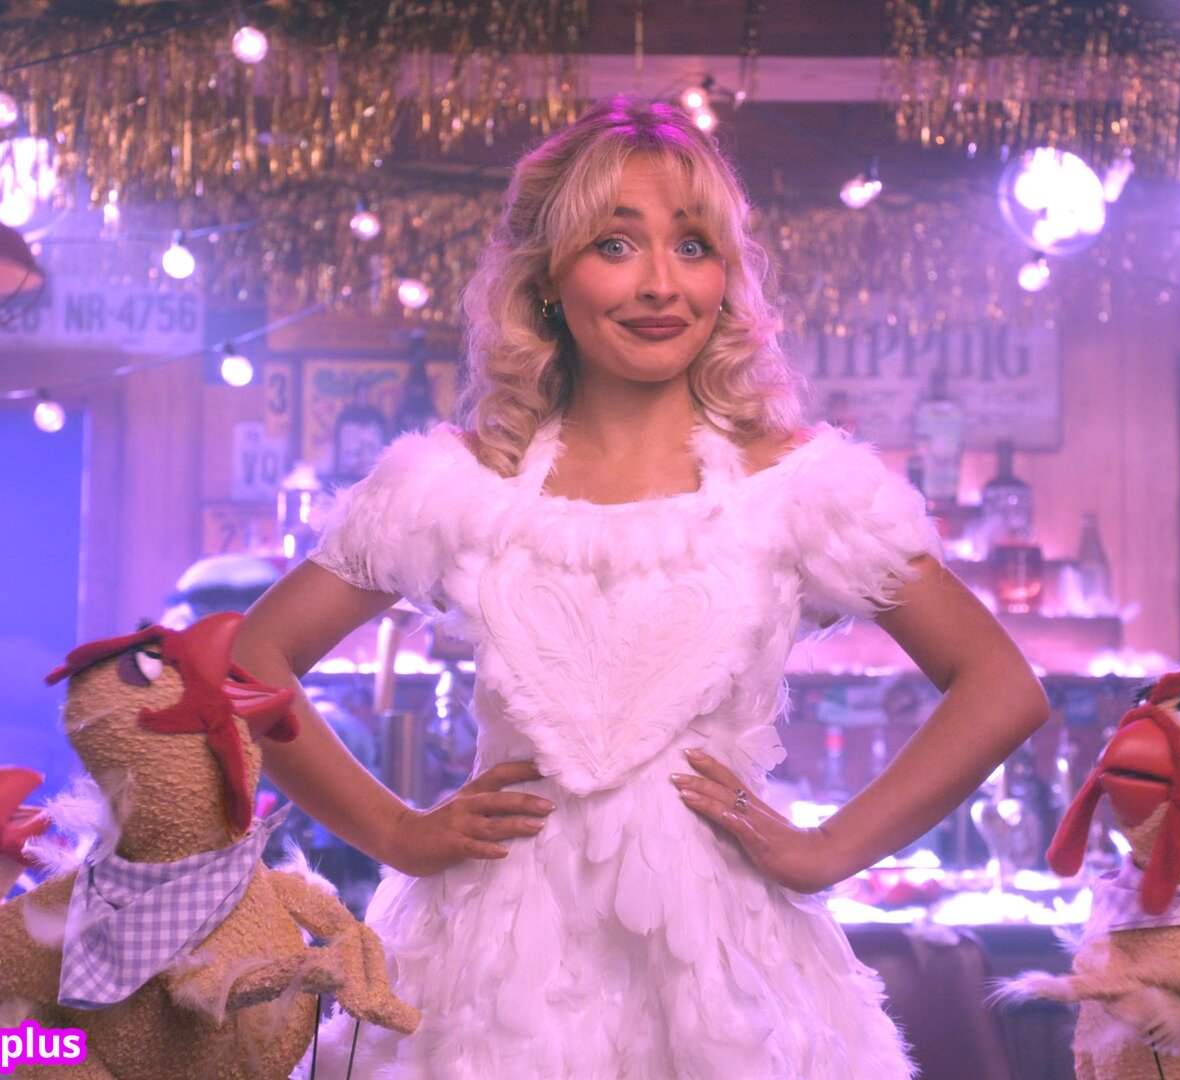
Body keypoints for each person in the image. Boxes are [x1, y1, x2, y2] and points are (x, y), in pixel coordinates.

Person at [234, 96, 1048, 1078]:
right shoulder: (459, 486)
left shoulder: (798, 489)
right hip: (489, 975)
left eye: (694, 246)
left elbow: (1001, 686)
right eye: (616, 244)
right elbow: (248, 661)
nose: (662, 283)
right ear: (546, 277)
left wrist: (831, 849)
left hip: (728, 974)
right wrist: (398, 833)